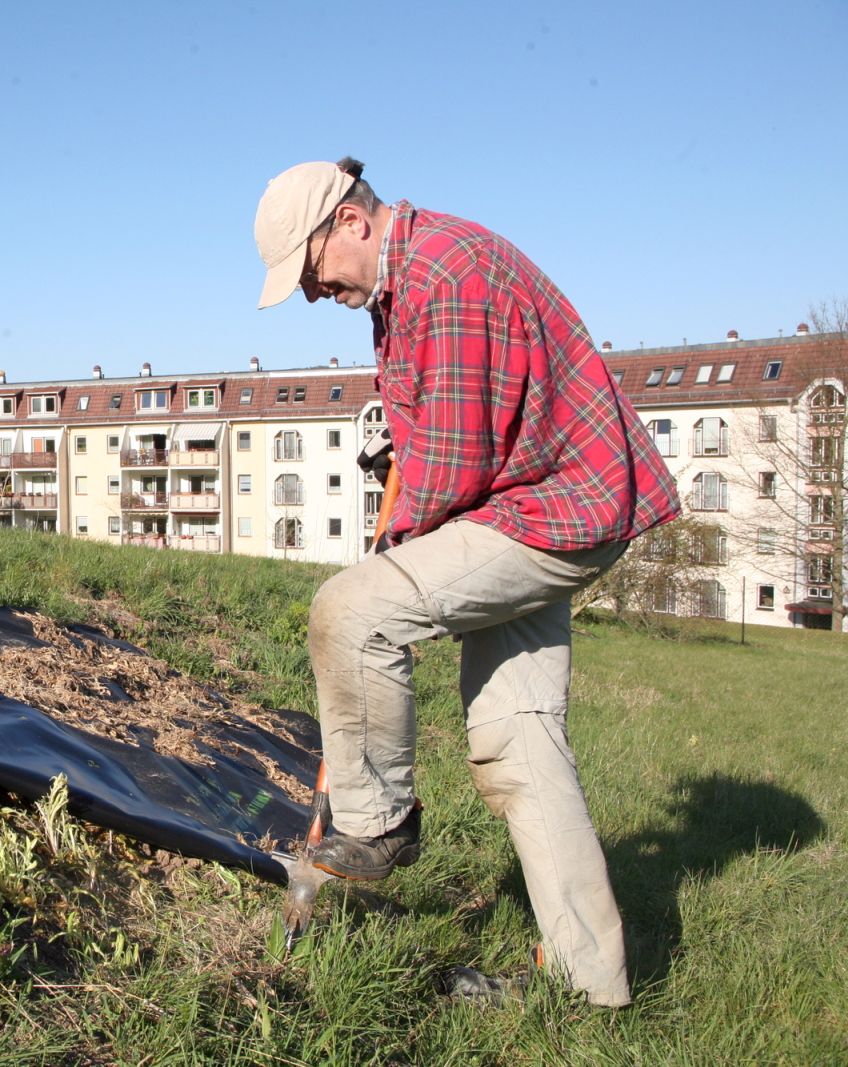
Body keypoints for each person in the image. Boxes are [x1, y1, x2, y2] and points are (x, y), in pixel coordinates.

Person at [253, 157, 680, 1007]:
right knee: (519, 741)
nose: (308, 294)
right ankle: (591, 984)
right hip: (538, 501)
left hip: (551, 509)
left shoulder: (446, 277)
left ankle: (377, 827)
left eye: (308, 271)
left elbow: (449, 472)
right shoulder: (403, 288)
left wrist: (389, 550)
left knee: (349, 613)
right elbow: (432, 441)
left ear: (350, 222)